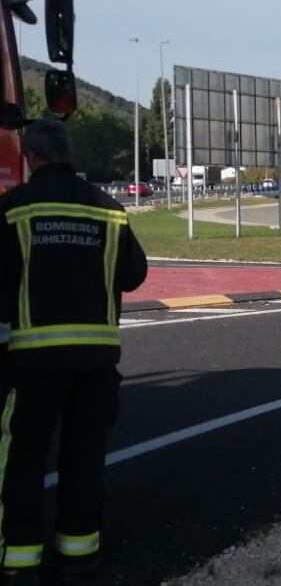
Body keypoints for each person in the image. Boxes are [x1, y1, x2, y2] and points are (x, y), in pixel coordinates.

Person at [0, 120, 148, 583]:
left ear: (30, 157)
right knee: (83, 460)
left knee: (23, 461)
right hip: (97, 361)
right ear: (69, 154)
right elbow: (134, 275)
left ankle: (20, 561)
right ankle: (78, 557)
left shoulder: (14, 208)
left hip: (32, 361)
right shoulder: (110, 210)